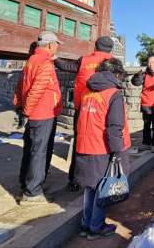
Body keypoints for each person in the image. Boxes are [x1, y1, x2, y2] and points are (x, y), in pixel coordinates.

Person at [74, 58, 131, 240]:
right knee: (103, 188)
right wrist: (117, 151)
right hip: (102, 147)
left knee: (90, 187)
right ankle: (96, 226)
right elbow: (115, 126)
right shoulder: (113, 94)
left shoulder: (86, 90)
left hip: (85, 144)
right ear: (116, 74)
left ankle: (86, 223)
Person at [53, 36, 115, 192]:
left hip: (84, 108)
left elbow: (66, 66)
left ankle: (75, 180)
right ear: (111, 49)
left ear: (95, 47)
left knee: (80, 144)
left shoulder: (84, 60)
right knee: (105, 144)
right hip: (107, 108)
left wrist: (54, 58)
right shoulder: (115, 63)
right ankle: (104, 179)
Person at [13, 32, 63, 205]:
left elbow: (19, 86)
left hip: (34, 112)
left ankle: (25, 187)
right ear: (50, 45)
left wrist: (21, 109)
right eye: (57, 44)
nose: (58, 46)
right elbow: (38, 89)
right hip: (43, 113)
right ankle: (32, 193)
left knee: (31, 150)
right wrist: (26, 112)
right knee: (40, 152)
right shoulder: (44, 63)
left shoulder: (30, 61)